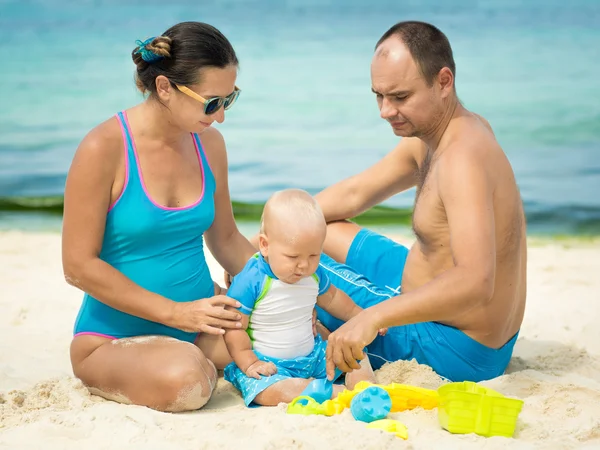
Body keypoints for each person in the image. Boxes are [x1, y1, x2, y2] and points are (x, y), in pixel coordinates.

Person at [314, 21, 527, 383]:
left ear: (444, 82)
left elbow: (477, 281)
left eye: (399, 97)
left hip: (454, 347)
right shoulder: (436, 133)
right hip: (431, 299)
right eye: (378, 95)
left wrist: (372, 317)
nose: (384, 110)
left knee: (285, 275)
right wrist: (275, 228)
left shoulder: (463, 159)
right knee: (317, 232)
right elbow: (354, 194)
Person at [62, 21, 257, 412]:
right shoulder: (103, 147)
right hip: (113, 339)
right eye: (210, 102)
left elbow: (227, 240)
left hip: (202, 326)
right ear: (165, 87)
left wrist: (281, 283)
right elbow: (78, 266)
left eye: (228, 100)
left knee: (305, 333)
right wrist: (176, 313)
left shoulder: (210, 144)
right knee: (188, 382)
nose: (220, 117)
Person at [223, 189, 378, 406]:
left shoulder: (313, 275)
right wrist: (250, 363)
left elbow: (334, 299)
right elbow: (234, 326)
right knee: (269, 391)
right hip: (270, 365)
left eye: (314, 255)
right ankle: (335, 393)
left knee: (356, 355)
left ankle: (366, 389)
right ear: (265, 245)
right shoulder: (252, 279)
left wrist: (363, 317)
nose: (304, 265)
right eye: (293, 257)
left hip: (313, 356)